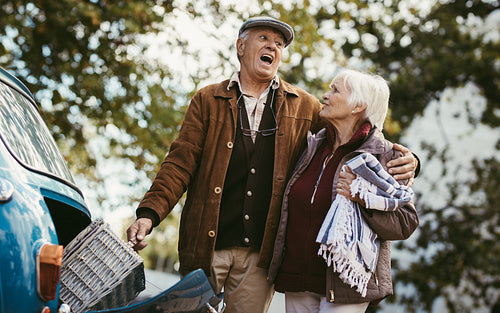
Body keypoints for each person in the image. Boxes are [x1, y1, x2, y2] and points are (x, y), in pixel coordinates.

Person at [126, 17, 417, 313]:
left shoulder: (304, 105)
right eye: (263, 38)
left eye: (279, 43)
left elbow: (354, 131)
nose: (272, 47)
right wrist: (149, 215)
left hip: (261, 258)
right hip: (205, 247)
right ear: (241, 47)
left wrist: (408, 160)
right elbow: (178, 164)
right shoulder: (207, 100)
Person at [267, 69, 419, 313]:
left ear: (358, 105)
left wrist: (360, 197)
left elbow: (405, 222)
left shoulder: (384, 156)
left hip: (346, 285)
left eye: (335, 90)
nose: (325, 96)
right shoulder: (312, 145)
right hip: (298, 277)